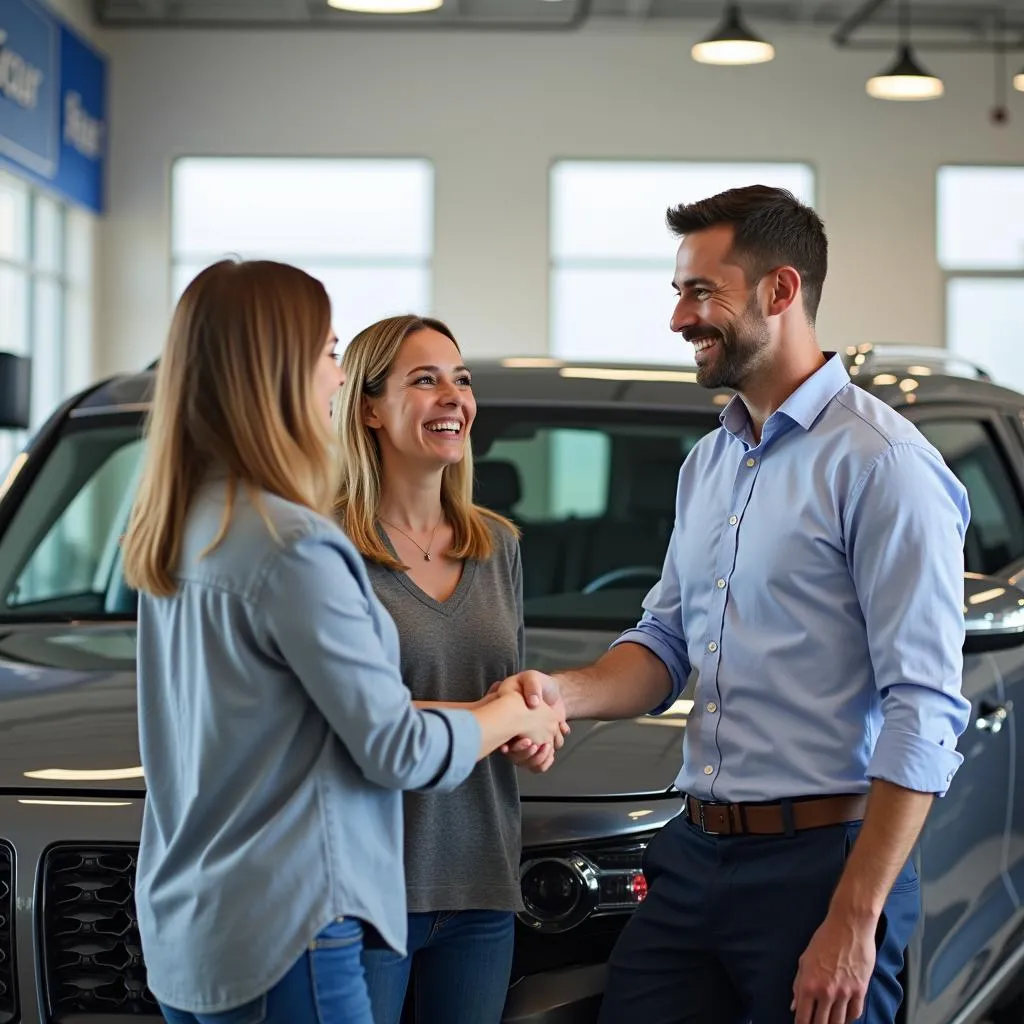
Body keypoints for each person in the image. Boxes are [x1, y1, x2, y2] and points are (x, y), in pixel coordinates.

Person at [497, 185, 973, 1024]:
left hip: (826, 862)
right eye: (679, 291)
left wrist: (854, 920)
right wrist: (555, 693)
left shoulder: (881, 465)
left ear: (780, 292)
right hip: (694, 852)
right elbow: (664, 643)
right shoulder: (713, 461)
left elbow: (924, 707)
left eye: (700, 292)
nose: (680, 319)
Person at [122, 261, 564, 1024]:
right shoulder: (295, 545)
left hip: (195, 932)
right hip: (290, 927)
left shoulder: (191, 528)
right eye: (328, 354)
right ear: (278, 370)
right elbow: (391, 745)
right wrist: (511, 714)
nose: (334, 376)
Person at [333, 313, 559, 1024]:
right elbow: (344, 726)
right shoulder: (325, 550)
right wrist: (499, 717)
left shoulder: (496, 545)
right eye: (424, 380)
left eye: (461, 380)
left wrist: (532, 728)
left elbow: (499, 696)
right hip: (365, 898)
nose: (453, 397)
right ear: (368, 407)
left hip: (481, 887)